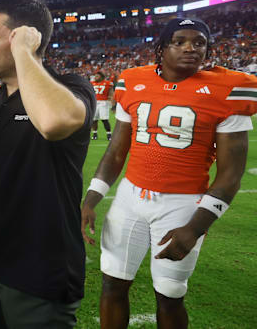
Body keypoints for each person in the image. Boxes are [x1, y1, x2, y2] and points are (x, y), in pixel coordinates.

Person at [81, 18, 257, 329]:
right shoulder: (132, 80)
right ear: (162, 48)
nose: (191, 47)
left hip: (183, 203)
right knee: (113, 284)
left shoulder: (229, 88)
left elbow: (230, 175)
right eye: (180, 41)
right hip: (130, 197)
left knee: (170, 294)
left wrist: (195, 227)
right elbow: (116, 152)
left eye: (199, 42)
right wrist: (91, 198)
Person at [0, 0, 96, 328]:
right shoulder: (0, 98)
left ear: (25, 36)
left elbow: (54, 122)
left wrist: (25, 53)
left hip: (40, 274)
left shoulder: (71, 87)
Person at [90, 70, 114, 140]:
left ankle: (109, 134)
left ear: (101, 77)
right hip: (94, 102)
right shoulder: (92, 83)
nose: (95, 77)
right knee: (94, 120)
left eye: (97, 76)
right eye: (95, 76)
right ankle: (94, 133)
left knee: (104, 119)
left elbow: (111, 94)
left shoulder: (107, 83)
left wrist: (113, 104)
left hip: (104, 103)